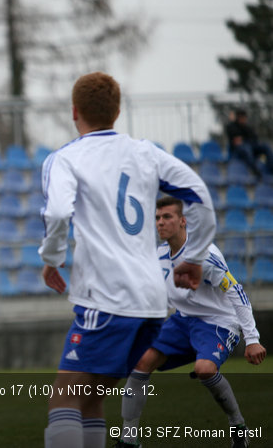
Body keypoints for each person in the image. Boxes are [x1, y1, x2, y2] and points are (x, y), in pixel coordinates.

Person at [38, 72, 217, 448]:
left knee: (65, 397)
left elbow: (56, 212)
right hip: (151, 301)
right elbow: (199, 196)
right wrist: (195, 257)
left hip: (107, 296)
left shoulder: (66, 158)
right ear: (117, 111)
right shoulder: (145, 152)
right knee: (91, 399)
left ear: (74, 111)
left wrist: (52, 257)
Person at [116, 196, 266, 448]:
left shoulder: (204, 255)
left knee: (205, 370)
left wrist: (252, 339)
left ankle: (238, 427)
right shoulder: (159, 254)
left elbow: (236, 292)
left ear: (183, 221)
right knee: (140, 362)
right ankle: (129, 439)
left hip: (218, 322)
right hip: (182, 320)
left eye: (167, 217)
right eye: (157, 218)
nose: (160, 223)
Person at [224, 107, 273, 178]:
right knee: (247, 149)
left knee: (266, 147)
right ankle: (255, 171)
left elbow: (254, 139)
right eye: (241, 117)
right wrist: (243, 139)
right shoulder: (231, 126)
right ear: (237, 117)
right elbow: (237, 141)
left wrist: (243, 139)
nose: (243, 119)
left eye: (244, 117)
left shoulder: (247, 127)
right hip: (238, 150)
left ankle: (271, 168)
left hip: (250, 145)